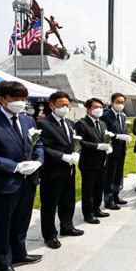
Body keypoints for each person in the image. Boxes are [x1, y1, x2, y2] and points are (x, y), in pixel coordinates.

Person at [0, 81, 44, 271]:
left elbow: (39, 145)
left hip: (29, 180)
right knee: (2, 225)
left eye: (24, 99)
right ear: (2, 100)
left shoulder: (28, 121)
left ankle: (19, 254)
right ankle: (3, 264)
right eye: (16, 99)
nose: (22, 103)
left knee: (22, 221)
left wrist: (37, 161)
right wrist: (14, 166)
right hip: (4, 183)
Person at [37, 92, 84, 250]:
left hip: (69, 170)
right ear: (52, 106)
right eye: (61, 105)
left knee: (68, 201)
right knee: (50, 204)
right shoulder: (43, 124)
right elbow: (42, 146)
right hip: (52, 171)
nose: (65, 107)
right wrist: (62, 156)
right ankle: (50, 235)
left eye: (67, 105)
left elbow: (76, 142)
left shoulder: (70, 123)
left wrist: (77, 152)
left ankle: (67, 226)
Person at [75, 98, 112, 224]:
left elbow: (105, 138)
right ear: (88, 109)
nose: (99, 109)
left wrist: (107, 146)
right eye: (96, 107)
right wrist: (97, 146)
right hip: (89, 162)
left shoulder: (102, 123)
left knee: (99, 188)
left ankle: (97, 209)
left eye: (101, 107)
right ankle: (88, 213)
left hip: (102, 161)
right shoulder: (82, 123)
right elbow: (80, 142)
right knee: (88, 190)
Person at [100, 93, 132, 210]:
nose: (120, 105)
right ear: (112, 102)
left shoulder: (122, 116)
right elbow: (105, 134)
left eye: (122, 103)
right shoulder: (106, 116)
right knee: (110, 175)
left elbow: (124, 129)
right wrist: (118, 136)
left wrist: (127, 136)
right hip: (111, 150)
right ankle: (108, 200)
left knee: (118, 174)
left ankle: (116, 195)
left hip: (121, 149)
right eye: (118, 102)